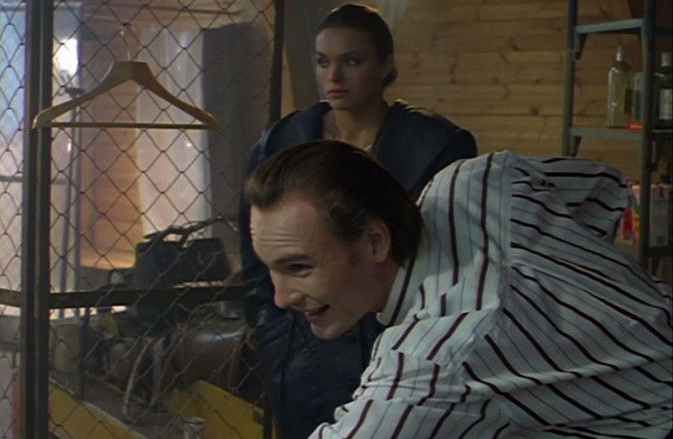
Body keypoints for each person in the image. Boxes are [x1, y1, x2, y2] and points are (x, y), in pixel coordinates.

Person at [246, 140, 673, 438]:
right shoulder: (478, 180)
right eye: (271, 269)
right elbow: (603, 192)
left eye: (299, 268)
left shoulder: (431, 361)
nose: (281, 297)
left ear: (374, 242)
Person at [238, 4, 476, 437]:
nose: (334, 76)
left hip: (404, 344)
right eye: (322, 62)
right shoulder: (283, 139)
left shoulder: (434, 145)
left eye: (351, 60)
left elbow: (453, 257)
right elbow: (257, 254)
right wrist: (271, 332)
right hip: (304, 347)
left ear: (386, 64)